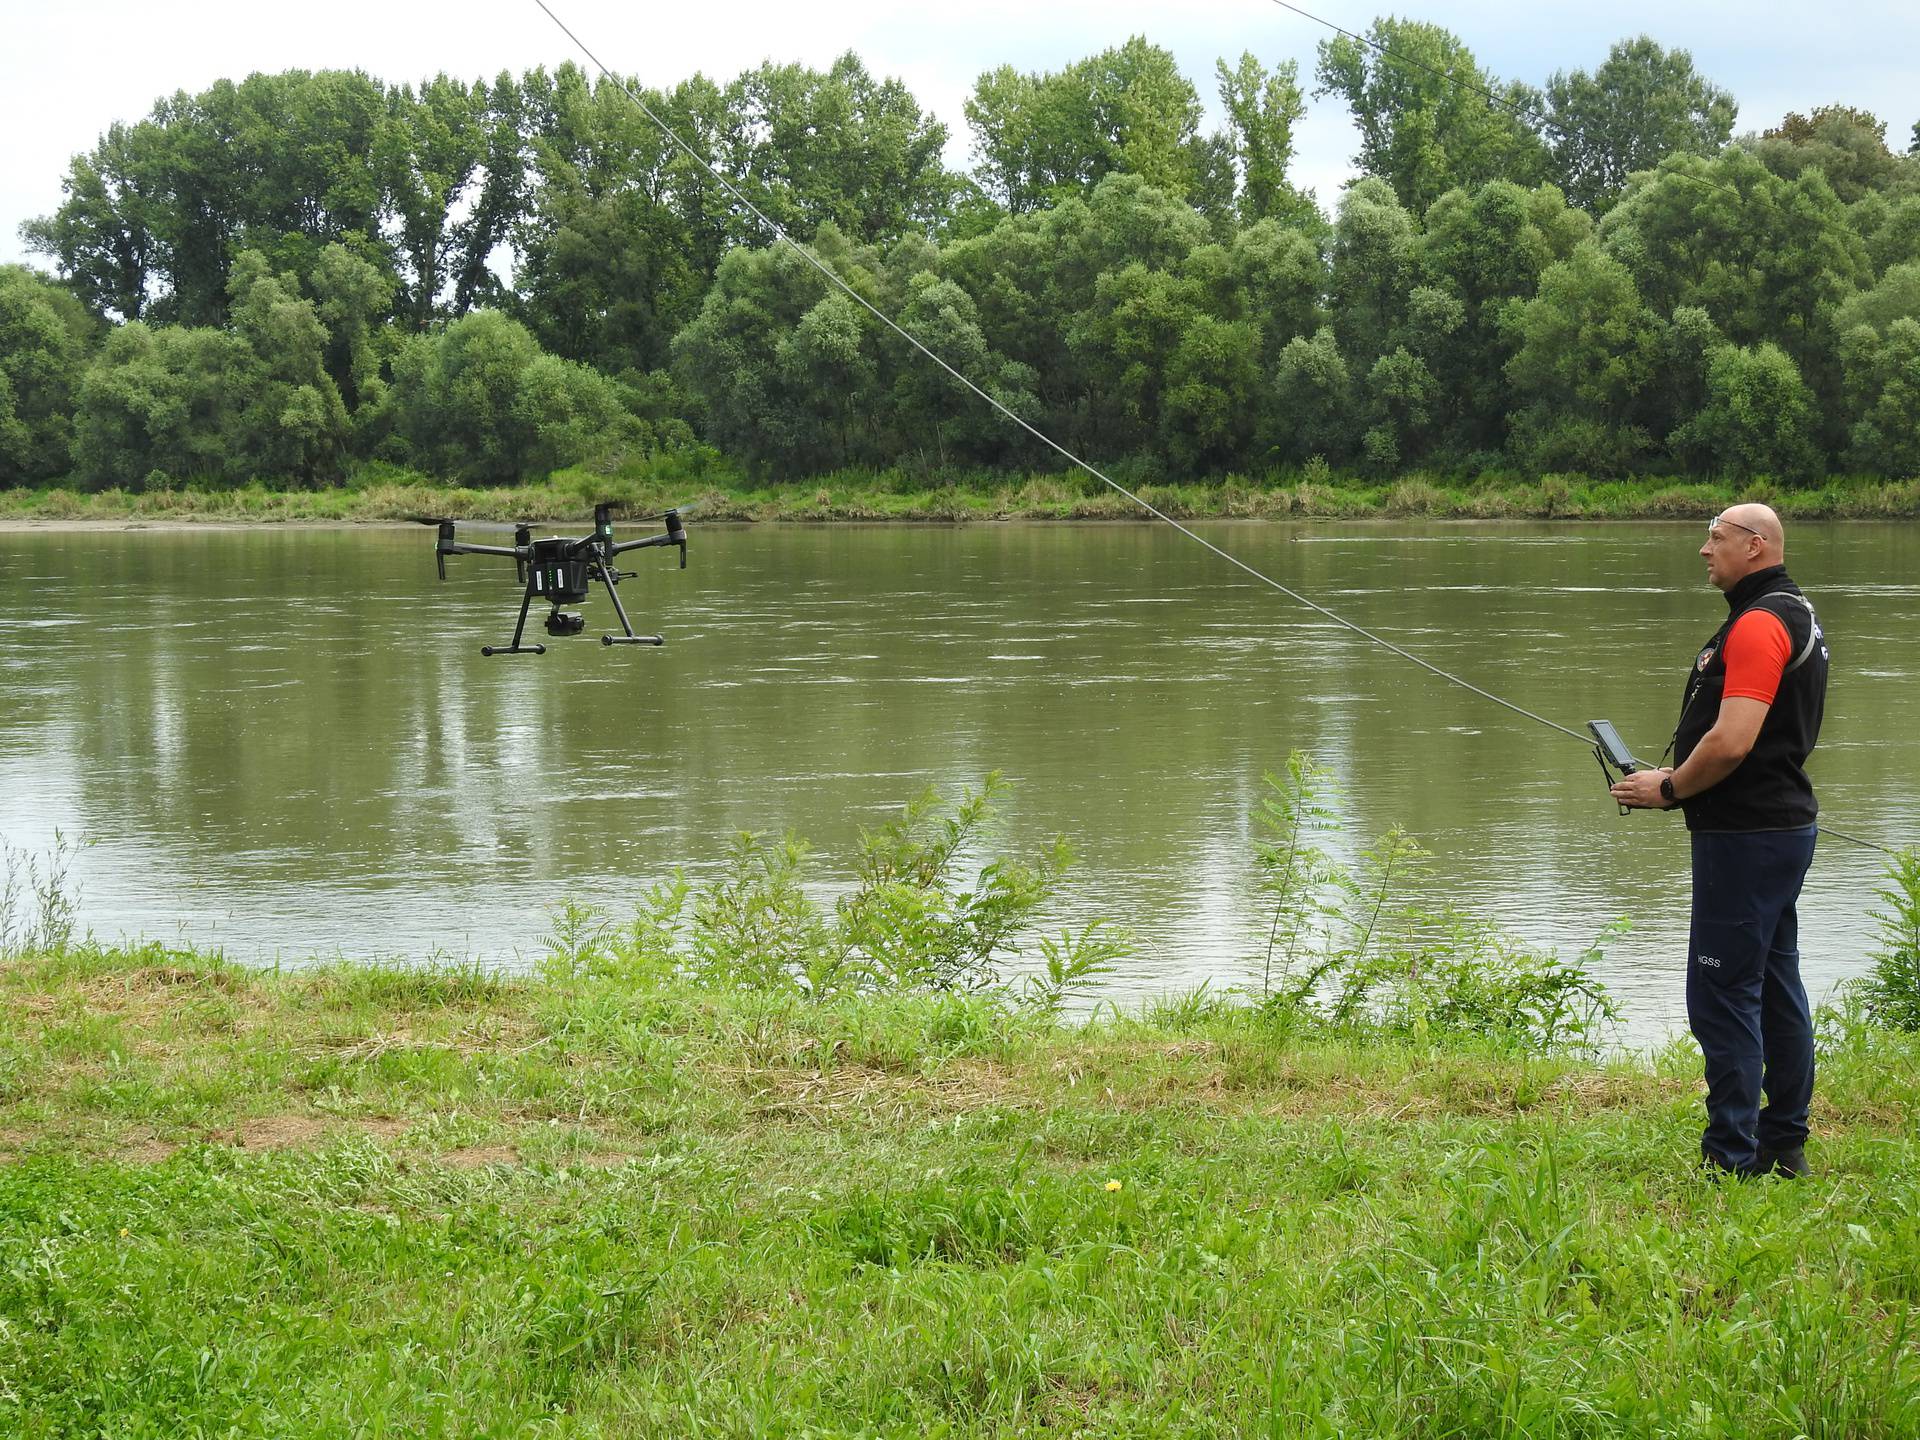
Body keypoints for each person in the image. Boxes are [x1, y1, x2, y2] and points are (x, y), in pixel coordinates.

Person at [1611, 503, 1829, 1178]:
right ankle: (1783, 1143)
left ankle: (1731, 1158)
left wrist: (1669, 788)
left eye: (1717, 538)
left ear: (1755, 547)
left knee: (1722, 992)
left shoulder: (1762, 623)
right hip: (1778, 827)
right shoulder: (1791, 611)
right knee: (1772, 980)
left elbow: (1732, 741)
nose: (1705, 550)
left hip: (1748, 836)